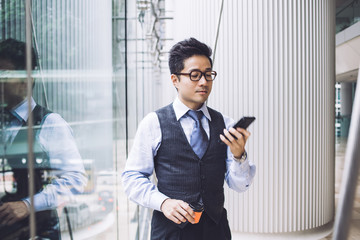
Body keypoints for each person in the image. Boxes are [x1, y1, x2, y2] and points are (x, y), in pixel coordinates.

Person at [122, 37, 256, 240]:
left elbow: (240, 185)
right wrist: (163, 202)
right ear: (175, 80)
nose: (204, 82)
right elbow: (132, 179)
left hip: (216, 230)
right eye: (195, 75)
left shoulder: (225, 124)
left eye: (208, 74)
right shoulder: (153, 123)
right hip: (170, 232)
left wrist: (239, 156)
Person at [0, 38, 87, 239]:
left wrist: (28, 204)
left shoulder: (50, 123)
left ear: (27, 78)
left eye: (5, 73)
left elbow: (76, 180)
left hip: (38, 232)